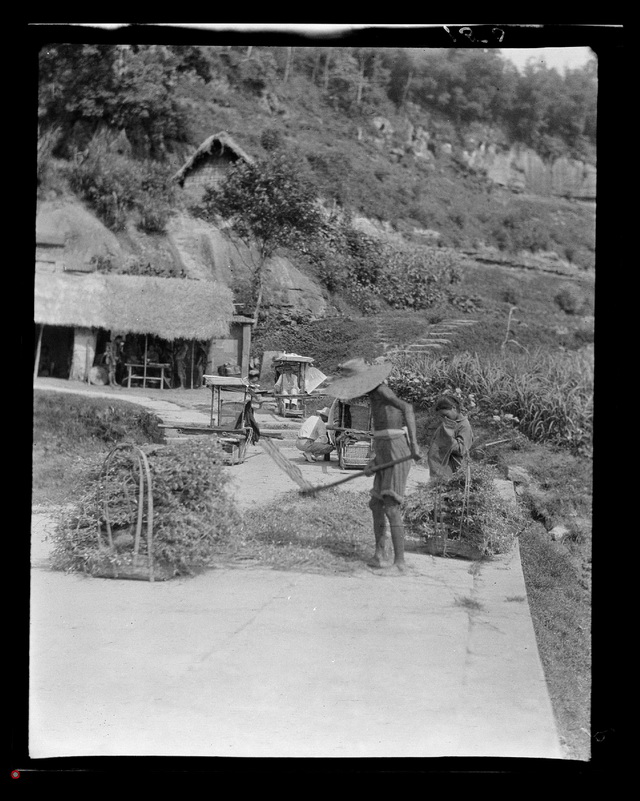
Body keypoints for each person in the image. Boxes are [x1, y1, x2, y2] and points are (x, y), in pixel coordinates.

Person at [325, 358, 421, 574]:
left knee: (391, 507)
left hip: (396, 448)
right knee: (376, 505)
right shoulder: (373, 395)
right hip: (384, 449)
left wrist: (414, 444)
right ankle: (380, 554)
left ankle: (400, 562)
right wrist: (374, 461)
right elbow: (381, 434)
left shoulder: (382, 390)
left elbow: (407, 408)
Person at [427, 395, 474, 479]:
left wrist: (448, 438)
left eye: (446, 415)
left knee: (447, 487)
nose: (444, 418)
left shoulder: (464, 425)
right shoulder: (448, 422)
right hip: (440, 466)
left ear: (454, 408)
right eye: (442, 416)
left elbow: (462, 449)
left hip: (454, 468)